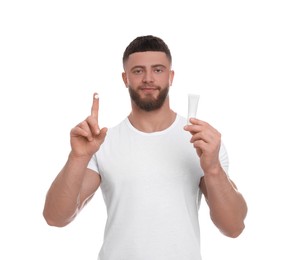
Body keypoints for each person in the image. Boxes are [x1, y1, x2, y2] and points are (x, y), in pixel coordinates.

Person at [43, 35, 247, 260]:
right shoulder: (101, 143)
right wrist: (77, 157)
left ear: (171, 77)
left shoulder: (201, 142)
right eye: (138, 71)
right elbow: (55, 217)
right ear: (125, 78)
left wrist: (213, 169)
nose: (148, 78)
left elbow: (234, 227)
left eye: (158, 70)